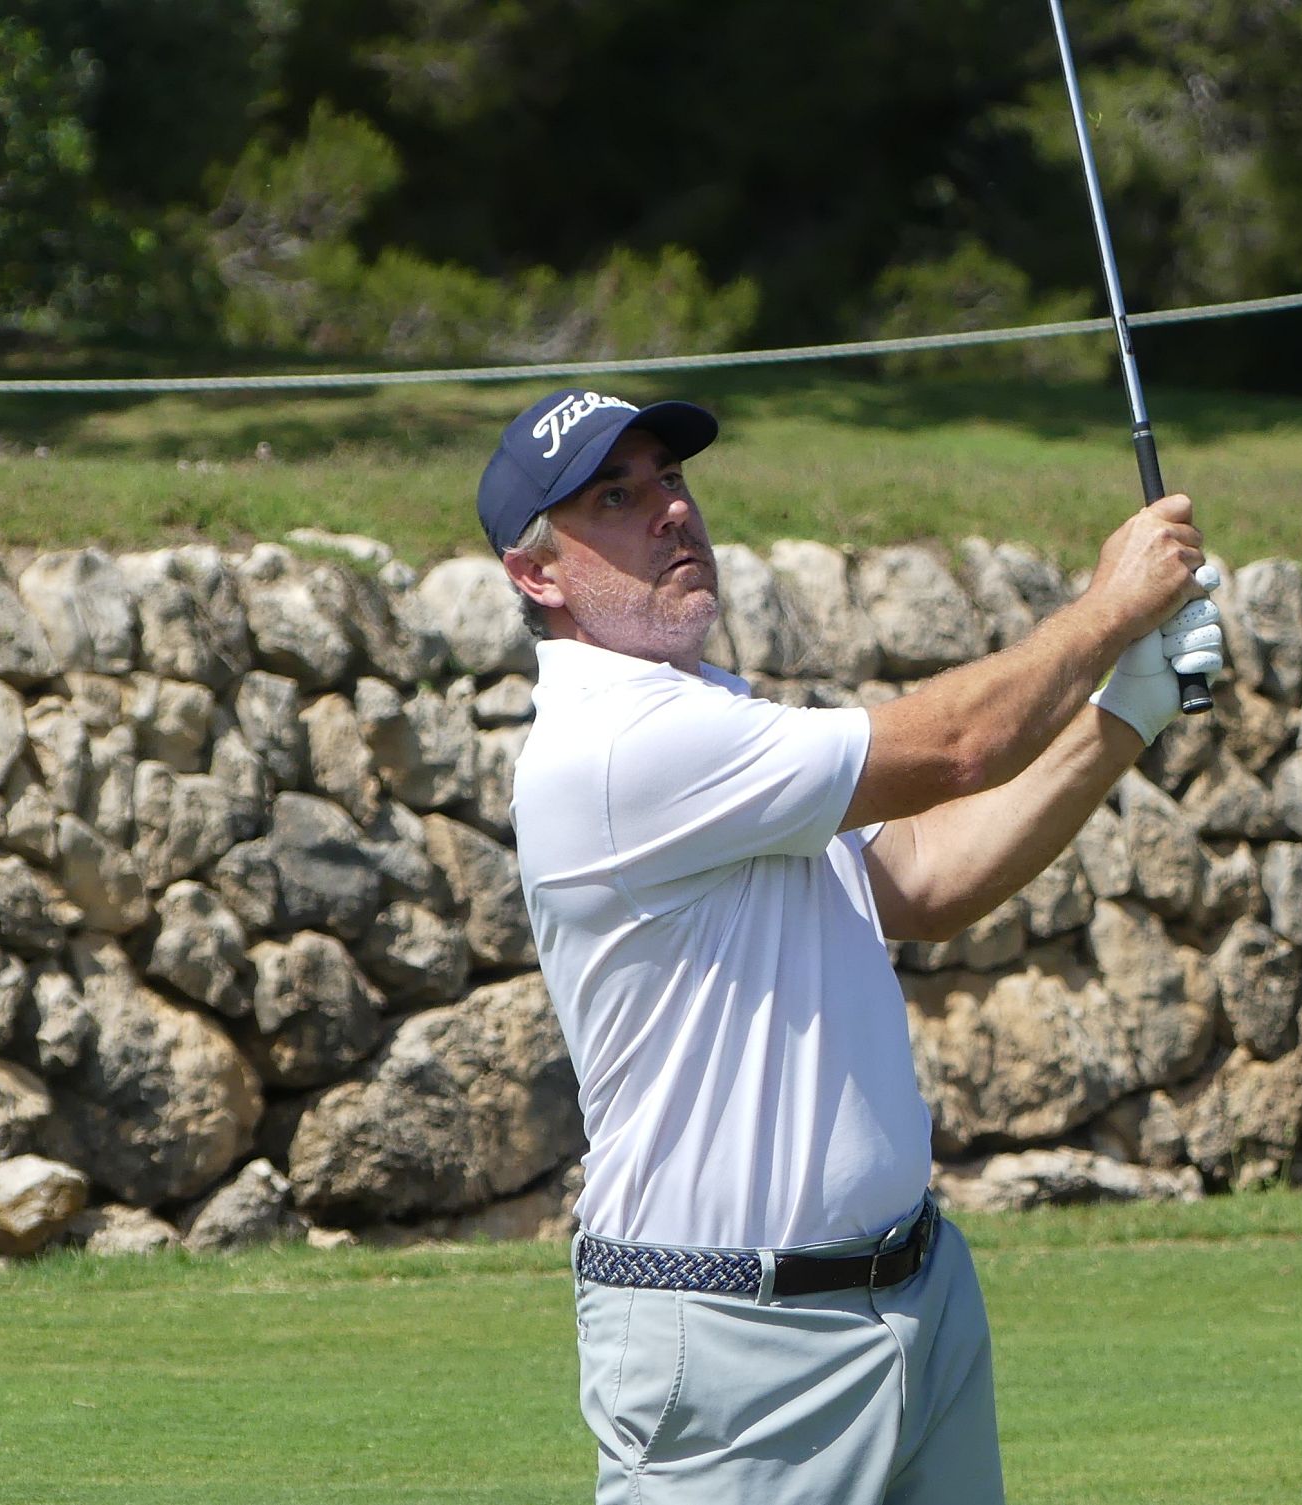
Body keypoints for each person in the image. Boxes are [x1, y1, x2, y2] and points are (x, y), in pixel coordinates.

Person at [477, 386, 1223, 1505]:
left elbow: (919, 879)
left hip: (916, 1301)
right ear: (537, 572)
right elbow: (962, 747)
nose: (672, 512)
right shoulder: (620, 743)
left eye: (671, 479)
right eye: (617, 498)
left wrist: (1127, 712)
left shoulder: (709, 710)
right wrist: (1111, 607)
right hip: (733, 1340)